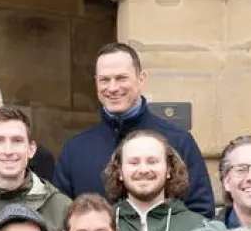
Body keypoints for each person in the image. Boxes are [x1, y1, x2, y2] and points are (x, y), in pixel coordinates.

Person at [51, 43, 213, 216]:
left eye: (121, 78)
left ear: (141, 79)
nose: (112, 88)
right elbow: (61, 217)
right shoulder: (75, 149)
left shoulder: (179, 141)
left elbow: (200, 213)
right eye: (104, 80)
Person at [105, 129, 205, 231]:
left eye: (152, 161)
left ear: (169, 169)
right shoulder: (103, 225)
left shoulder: (198, 227)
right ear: (119, 171)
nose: (143, 169)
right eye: (134, 162)